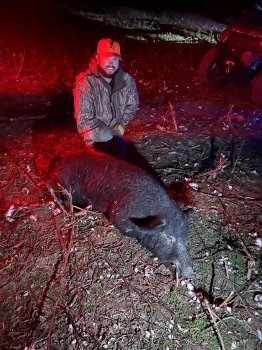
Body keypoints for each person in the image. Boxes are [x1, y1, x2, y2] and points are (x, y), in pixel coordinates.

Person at [73, 38, 139, 160]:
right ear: (97, 58)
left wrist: (122, 124)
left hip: (116, 131)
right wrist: (101, 135)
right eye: (106, 58)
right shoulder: (85, 83)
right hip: (96, 137)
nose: (111, 63)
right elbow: (84, 119)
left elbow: (133, 105)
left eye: (115, 59)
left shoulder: (127, 81)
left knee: (121, 160)